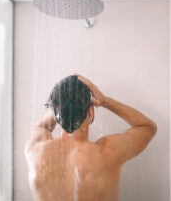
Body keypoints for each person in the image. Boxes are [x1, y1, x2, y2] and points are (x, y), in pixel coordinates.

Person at [25, 74, 157, 201]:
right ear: (90, 111)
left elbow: (41, 126)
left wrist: (62, 106)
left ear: (55, 112)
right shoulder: (107, 153)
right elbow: (147, 127)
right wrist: (105, 102)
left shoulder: (35, 152)